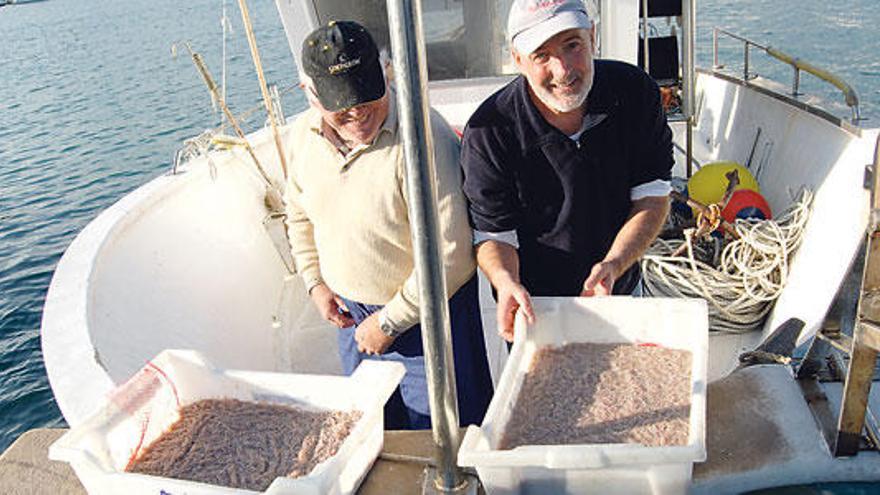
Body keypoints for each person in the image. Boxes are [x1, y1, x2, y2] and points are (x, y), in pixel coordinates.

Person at [284, 20, 493, 430]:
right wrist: (316, 282)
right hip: (352, 315)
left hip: (430, 317)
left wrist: (389, 321)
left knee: (450, 437)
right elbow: (299, 213)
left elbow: (451, 257)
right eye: (341, 104)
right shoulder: (302, 137)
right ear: (310, 94)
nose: (358, 113)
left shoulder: (425, 138)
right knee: (376, 429)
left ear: (387, 73)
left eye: (367, 95)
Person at [460, 0, 673, 341]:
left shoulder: (635, 92)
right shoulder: (489, 131)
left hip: (620, 289)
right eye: (541, 55)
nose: (562, 70)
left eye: (572, 45)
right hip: (535, 307)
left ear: (592, 36)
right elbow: (494, 234)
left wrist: (614, 265)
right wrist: (505, 281)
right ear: (517, 60)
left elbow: (652, 194)